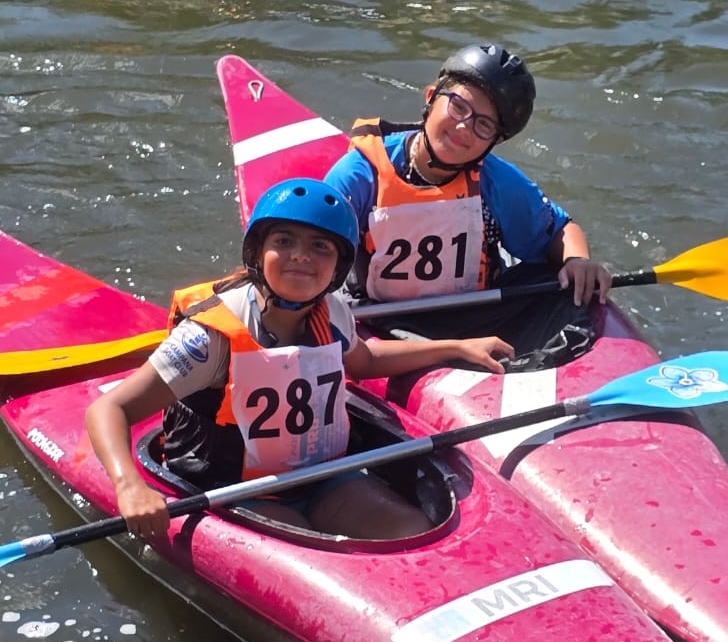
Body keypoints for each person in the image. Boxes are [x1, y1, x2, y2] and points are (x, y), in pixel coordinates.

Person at [85, 178, 512, 543]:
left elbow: (363, 360)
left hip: (320, 476)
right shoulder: (211, 335)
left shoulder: (331, 310)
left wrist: (456, 346)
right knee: (319, 549)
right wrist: (129, 487)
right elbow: (111, 408)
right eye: (284, 241)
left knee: (411, 528)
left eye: (320, 246)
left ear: (339, 265)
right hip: (234, 489)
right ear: (258, 252)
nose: (301, 256)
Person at [323, 43, 613, 361]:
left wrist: (577, 262)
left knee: (562, 290)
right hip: (384, 319)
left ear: (495, 141)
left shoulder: (494, 182)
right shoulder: (362, 174)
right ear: (432, 97)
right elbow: (318, 251)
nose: (464, 128)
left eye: (484, 125)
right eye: (459, 107)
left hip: (474, 313)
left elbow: (560, 230)